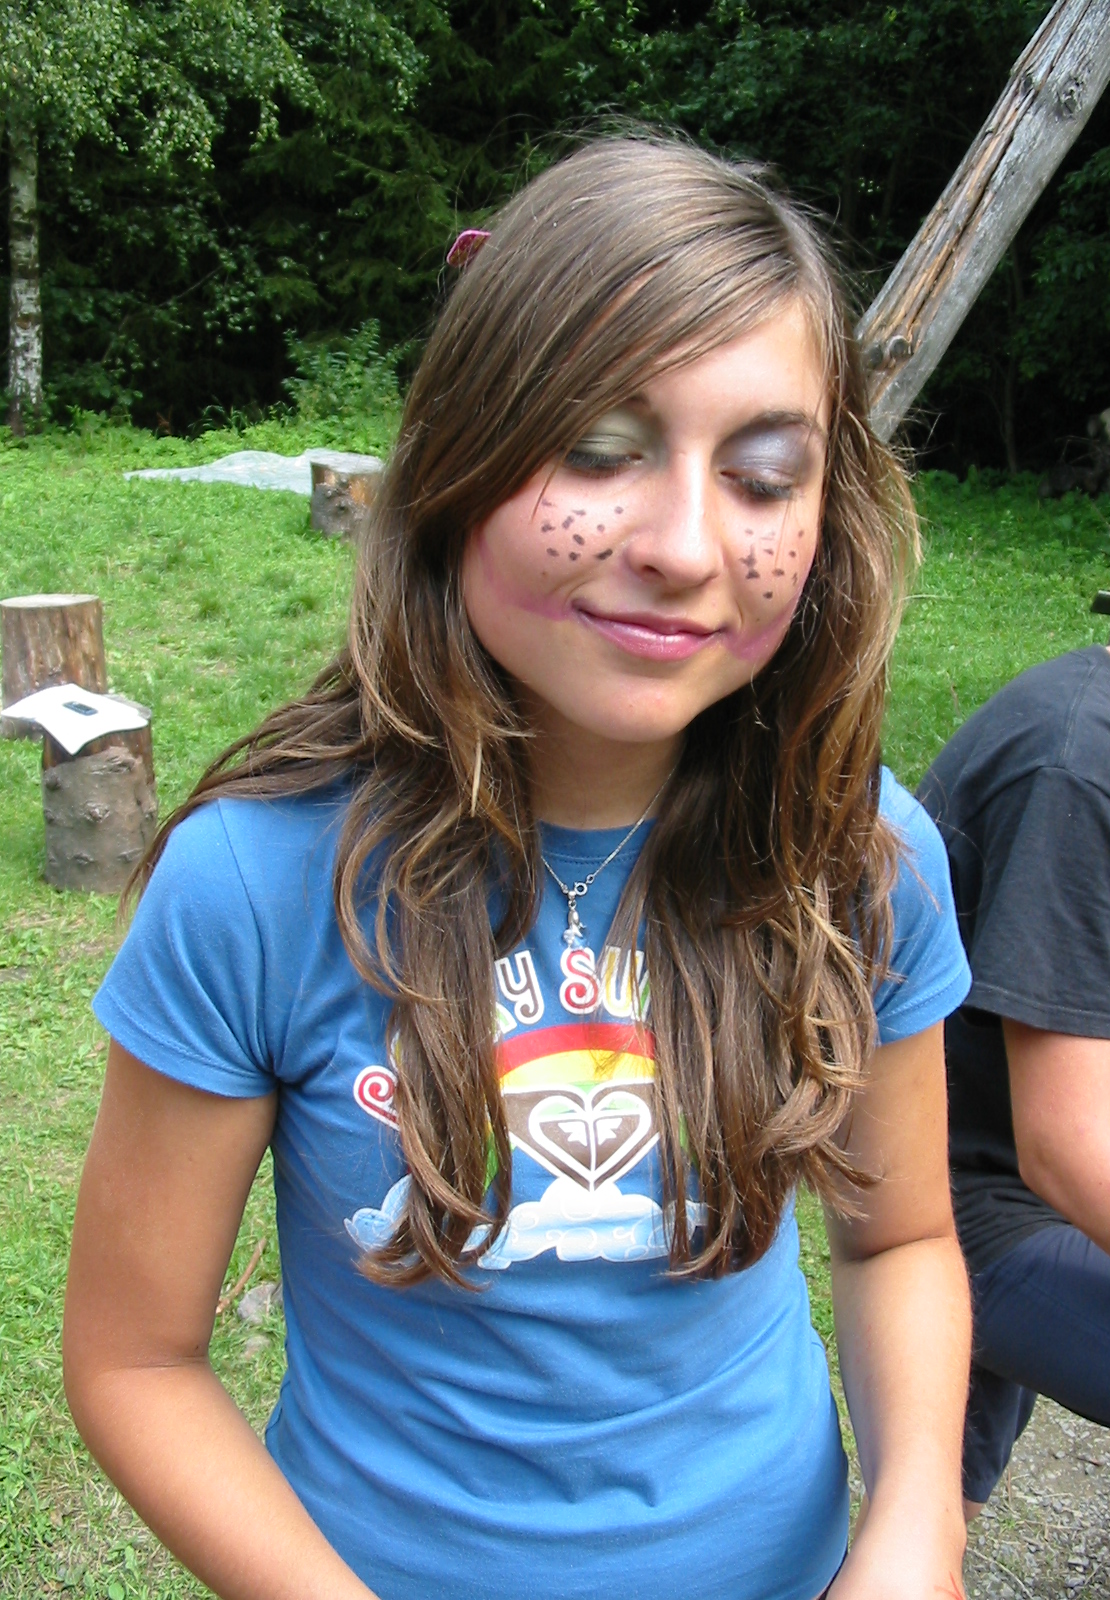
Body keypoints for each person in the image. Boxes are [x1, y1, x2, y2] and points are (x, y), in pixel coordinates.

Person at [63, 136, 972, 1600]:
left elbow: (903, 1238)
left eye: (762, 476)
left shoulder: (860, 857)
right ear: (459, 459)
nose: (687, 546)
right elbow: (135, 1359)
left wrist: (920, 1522)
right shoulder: (257, 882)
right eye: (601, 449)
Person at [918, 593, 1110, 1597]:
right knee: (924, 1517)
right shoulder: (1076, 766)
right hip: (970, 1217)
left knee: (929, 1526)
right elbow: (1066, 1145)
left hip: (1045, 1210)